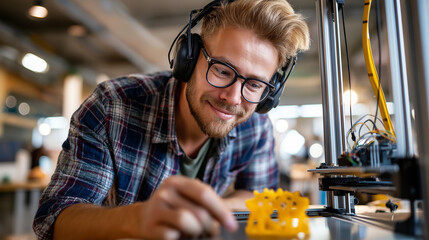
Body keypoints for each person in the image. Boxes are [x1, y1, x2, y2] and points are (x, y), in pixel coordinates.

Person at [33, 0, 309, 239]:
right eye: (223, 71)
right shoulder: (112, 106)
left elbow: (259, 199)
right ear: (189, 58)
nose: (234, 98)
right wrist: (134, 220)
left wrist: (210, 210)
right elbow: (55, 221)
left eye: (254, 85)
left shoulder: (256, 126)